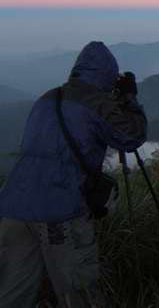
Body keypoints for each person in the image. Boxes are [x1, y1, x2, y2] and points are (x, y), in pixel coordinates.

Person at [0, 41, 147, 308]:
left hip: (12, 209)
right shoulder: (96, 103)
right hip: (59, 212)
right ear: (107, 76)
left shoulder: (47, 98)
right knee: (79, 294)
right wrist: (129, 98)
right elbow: (131, 137)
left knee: (12, 294)